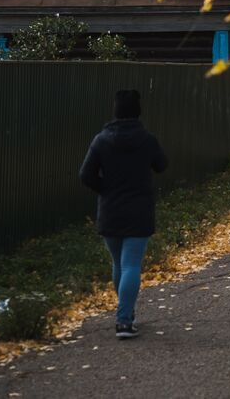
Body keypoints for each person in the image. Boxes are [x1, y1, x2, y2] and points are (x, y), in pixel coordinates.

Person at [79, 90, 167, 339]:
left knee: (118, 264)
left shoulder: (101, 140)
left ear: (115, 111)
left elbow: (85, 175)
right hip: (139, 210)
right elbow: (162, 165)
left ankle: (125, 313)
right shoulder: (147, 140)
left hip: (111, 210)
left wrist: (106, 190)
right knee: (131, 265)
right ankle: (124, 321)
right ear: (138, 111)